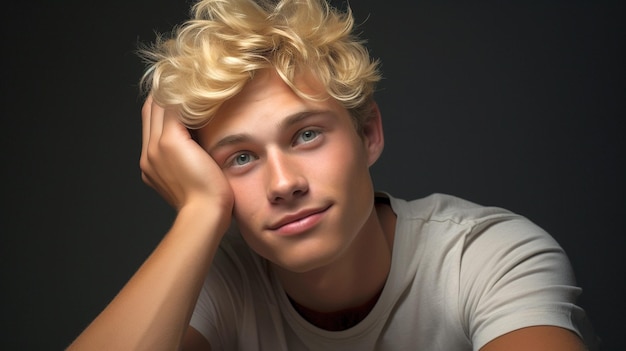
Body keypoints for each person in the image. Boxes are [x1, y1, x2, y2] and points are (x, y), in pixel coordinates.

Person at [67, 0, 598, 350]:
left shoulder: (488, 257)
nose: (283, 183)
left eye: (306, 135)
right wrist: (199, 214)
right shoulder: (220, 284)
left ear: (368, 134)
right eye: (241, 158)